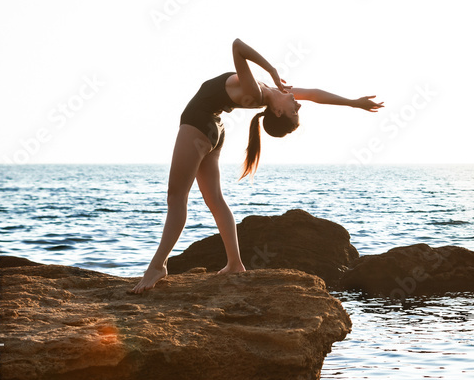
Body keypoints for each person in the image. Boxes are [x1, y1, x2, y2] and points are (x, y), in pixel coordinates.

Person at [129, 38, 382, 294]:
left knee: (176, 197)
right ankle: (235, 263)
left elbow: (237, 46)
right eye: (298, 110)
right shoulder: (271, 93)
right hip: (212, 128)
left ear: (279, 113)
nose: (299, 105)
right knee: (215, 200)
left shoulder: (257, 93)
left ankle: (158, 266)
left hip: (199, 125)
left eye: (295, 111)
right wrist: (353, 102)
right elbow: (316, 94)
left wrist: (272, 70)